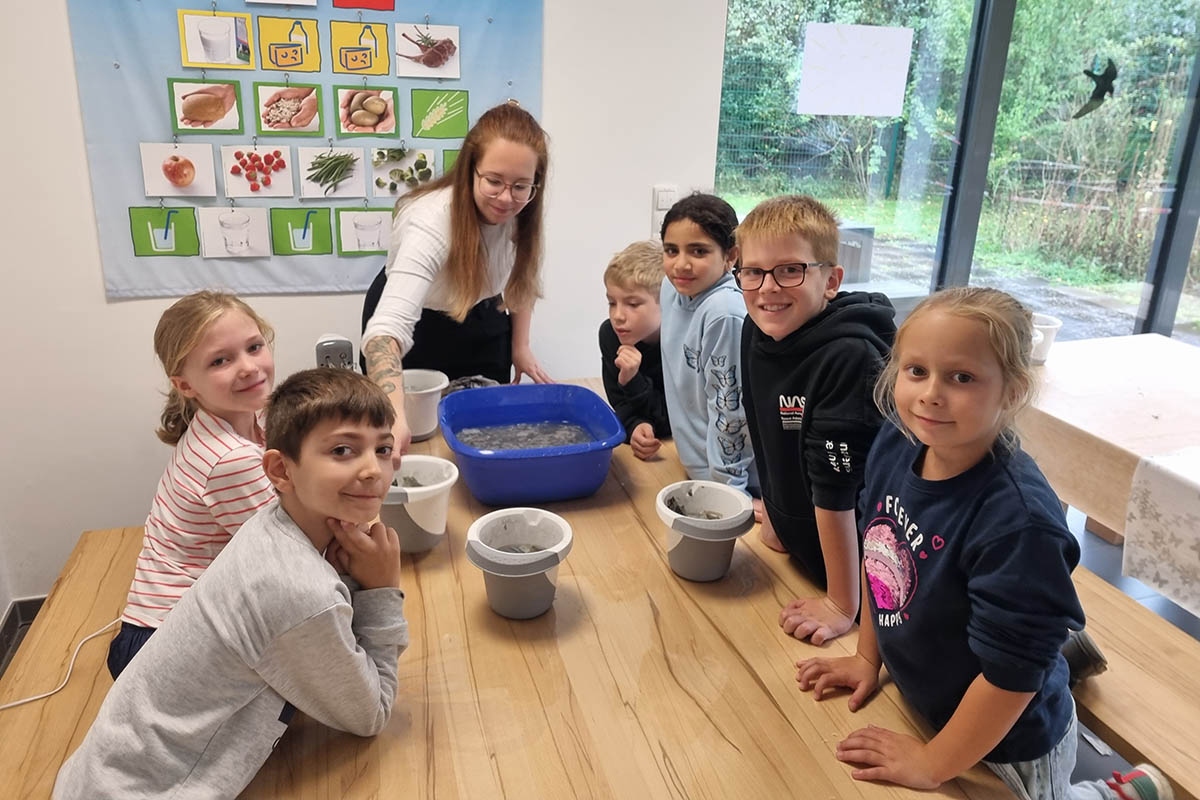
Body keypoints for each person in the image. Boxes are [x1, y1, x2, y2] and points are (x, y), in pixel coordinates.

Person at [794, 287, 1172, 800]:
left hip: (1009, 745)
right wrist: (867, 658)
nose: (930, 394)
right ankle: (1058, 644)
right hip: (934, 698)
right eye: (916, 371)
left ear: (1013, 392)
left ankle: (1121, 791)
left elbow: (1011, 680)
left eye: (962, 377)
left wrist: (932, 763)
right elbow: (879, 549)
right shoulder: (898, 440)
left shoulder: (1020, 524)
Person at [55, 368, 409, 799]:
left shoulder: (272, 525)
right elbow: (370, 714)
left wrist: (352, 577)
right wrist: (381, 591)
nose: (374, 470)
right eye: (342, 450)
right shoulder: (298, 590)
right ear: (280, 470)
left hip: (96, 774)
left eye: (384, 448)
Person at [735, 195, 895, 645]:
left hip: (866, 575)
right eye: (752, 271)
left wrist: (844, 604)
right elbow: (769, 433)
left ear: (831, 280)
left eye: (790, 269)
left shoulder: (850, 357)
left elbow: (838, 487)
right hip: (805, 551)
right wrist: (780, 518)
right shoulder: (758, 327)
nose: (767, 287)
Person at [361, 101, 552, 457]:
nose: (506, 198)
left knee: (485, 435)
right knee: (418, 438)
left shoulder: (524, 212)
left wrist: (520, 347)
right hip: (420, 325)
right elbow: (385, 332)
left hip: (483, 317)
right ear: (470, 170)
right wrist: (394, 413)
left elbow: (520, 281)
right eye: (493, 181)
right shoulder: (429, 221)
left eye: (521, 186)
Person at [107, 291, 276, 680]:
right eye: (221, 360)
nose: (249, 367)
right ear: (185, 385)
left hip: (160, 626)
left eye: (254, 346)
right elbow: (288, 556)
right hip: (159, 646)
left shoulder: (250, 417)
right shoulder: (229, 459)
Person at [658, 193, 757, 492]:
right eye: (671, 250)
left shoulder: (724, 313)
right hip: (692, 465)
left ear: (731, 256)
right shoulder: (670, 288)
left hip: (728, 483)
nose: (681, 265)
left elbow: (731, 412)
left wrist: (731, 491)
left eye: (698, 251)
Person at [599, 240, 671, 460]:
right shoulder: (611, 335)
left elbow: (674, 419)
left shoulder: (682, 344)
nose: (618, 315)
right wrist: (634, 426)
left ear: (666, 302)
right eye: (612, 302)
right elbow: (619, 403)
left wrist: (633, 380)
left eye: (632, 304)